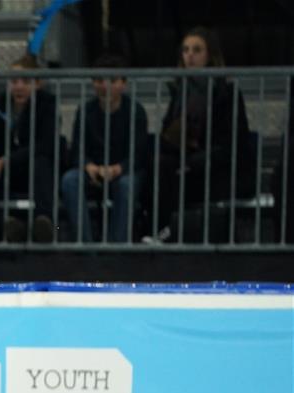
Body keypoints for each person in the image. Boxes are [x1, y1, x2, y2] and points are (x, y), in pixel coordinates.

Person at [155, 26, 254, 243]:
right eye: (186, 49)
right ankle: (160, 230)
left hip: (218, 170)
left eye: (197, 50)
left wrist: (193, 162)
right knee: (159, 164)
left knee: (168, 174)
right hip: (186, 166)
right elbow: (166, 133)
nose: (189, 55)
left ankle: (167, 231)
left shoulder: (226, 93)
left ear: (210, 55)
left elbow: (232, 143)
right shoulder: (181, 91)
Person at [61, 53, 149, 243]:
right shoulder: (85, 110)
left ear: (123, 84)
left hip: (126, 169)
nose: (105, 85)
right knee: (69, 180)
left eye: (112, 80)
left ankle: (116, 245)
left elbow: (140, 154)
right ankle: (84, 243)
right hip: (94, 169)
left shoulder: (136, 111)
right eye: (99, 80)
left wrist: (119, 168)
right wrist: (88, 165)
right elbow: (77, 149)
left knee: (126, 184)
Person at [0, 54, 58, 242]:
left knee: (40, 162)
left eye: (25, 81)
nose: (18, 86)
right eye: (14, 81)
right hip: (5, 172)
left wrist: (6, 160)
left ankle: (44, 221)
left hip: (32, 169)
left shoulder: (47, 104)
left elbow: (44, 145)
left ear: (37, 84)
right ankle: (5, 225)